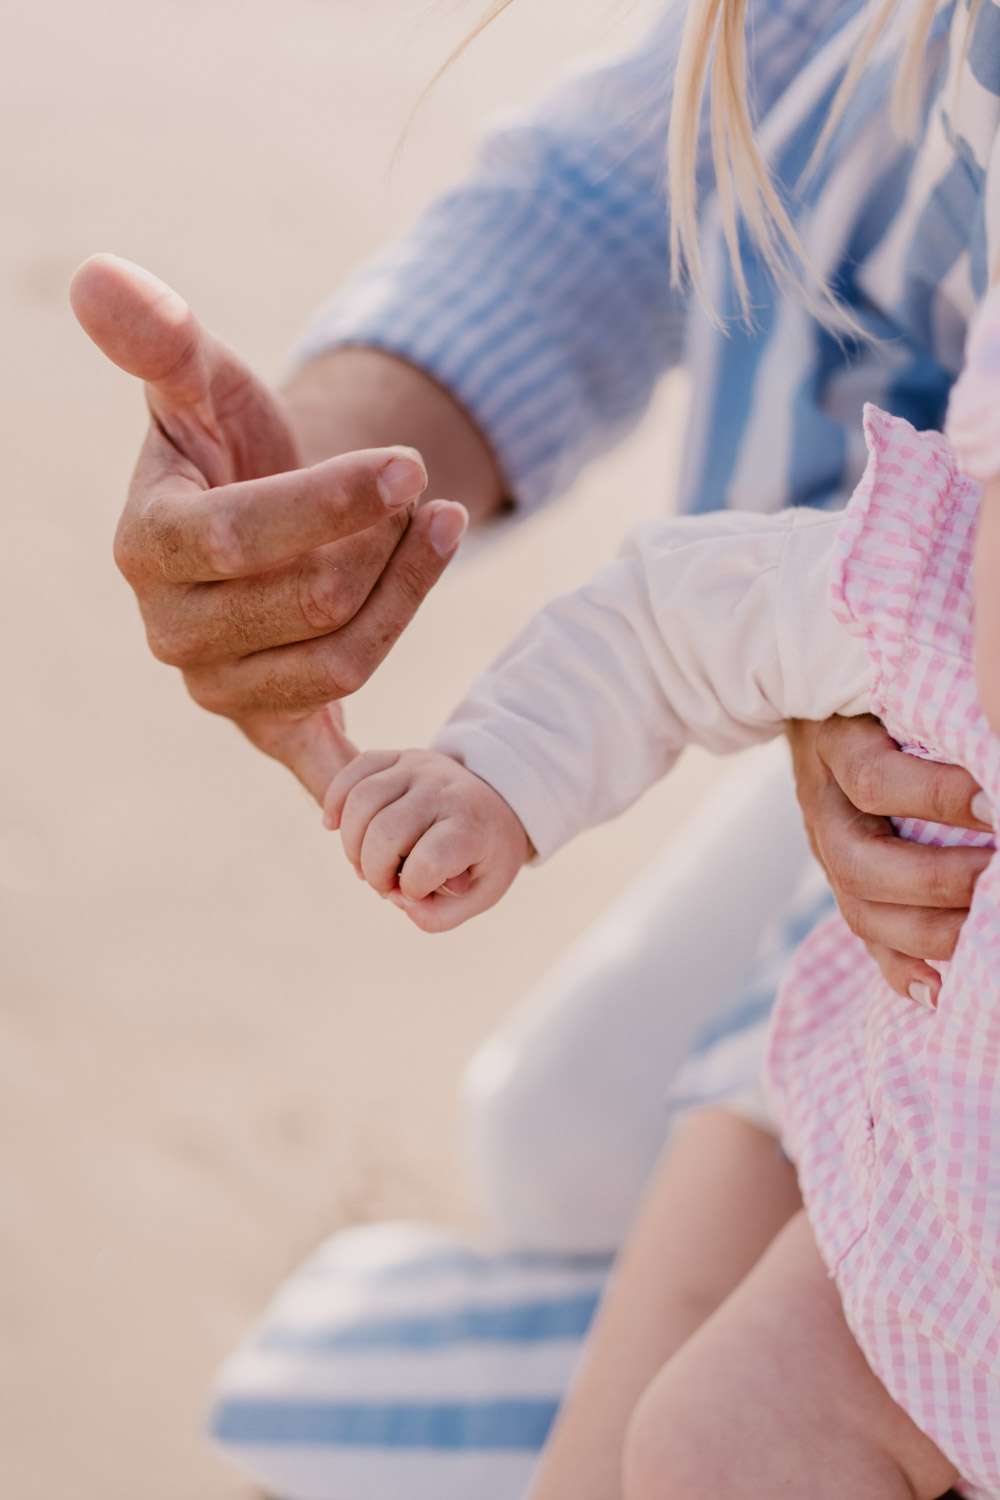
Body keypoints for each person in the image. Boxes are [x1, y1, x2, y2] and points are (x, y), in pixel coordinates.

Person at [68, 0, 999, 1494]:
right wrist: (315, 524)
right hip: (912, 788)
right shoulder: (920, 575)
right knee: (568, 1150)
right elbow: (623, 199)